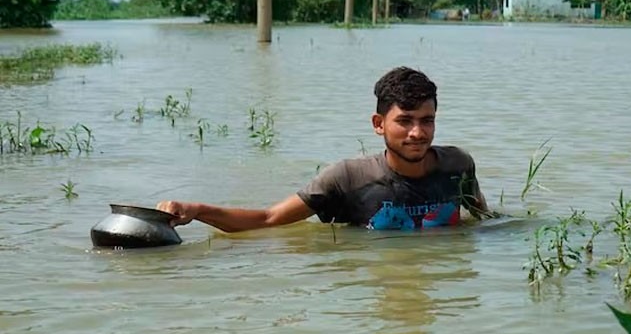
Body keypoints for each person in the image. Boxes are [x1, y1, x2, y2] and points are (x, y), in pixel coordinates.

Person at [156, 66, 490, 232]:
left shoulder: (457, 165)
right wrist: (197, 210)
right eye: (404, 121)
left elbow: (485, 221)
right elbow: (269, 219)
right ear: (378, 124)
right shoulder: (347, 178)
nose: (418, 133)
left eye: (427, 120)